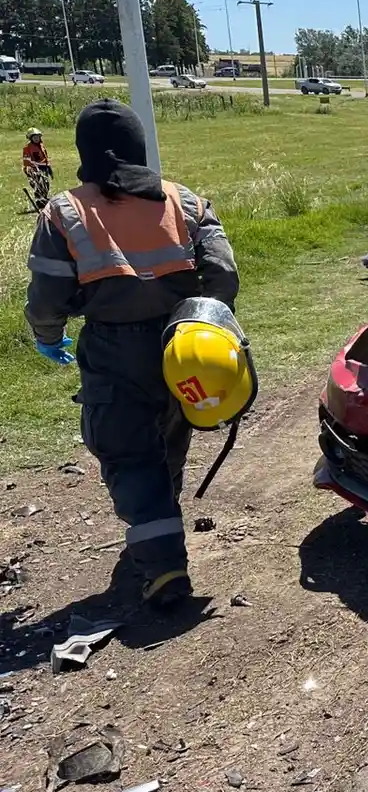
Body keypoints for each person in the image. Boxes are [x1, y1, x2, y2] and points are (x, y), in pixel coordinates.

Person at [25, 99, 242, 607]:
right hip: (180, 344)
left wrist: (47, 333)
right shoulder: (183, 201)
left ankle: (164, 564)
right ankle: (159, 522)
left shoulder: (64, 211)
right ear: (139, 147)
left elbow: (48, 296)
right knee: (171, 432)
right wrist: (205, 321)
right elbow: (224, 275)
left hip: (111, 347)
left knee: (126, 450)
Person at [22, 128, 52, 211]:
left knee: (46, 184)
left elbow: (45, 157)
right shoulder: (27, 148)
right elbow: (26, 161)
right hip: (34, 169)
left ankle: (44, 198)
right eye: (34, 137)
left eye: (38, 137)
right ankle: (39, 201)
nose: (36, 139)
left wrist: (48, 167)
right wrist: (30, 169)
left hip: (43, 168)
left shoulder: (41, 145)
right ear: (30, 138)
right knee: (38, 184)